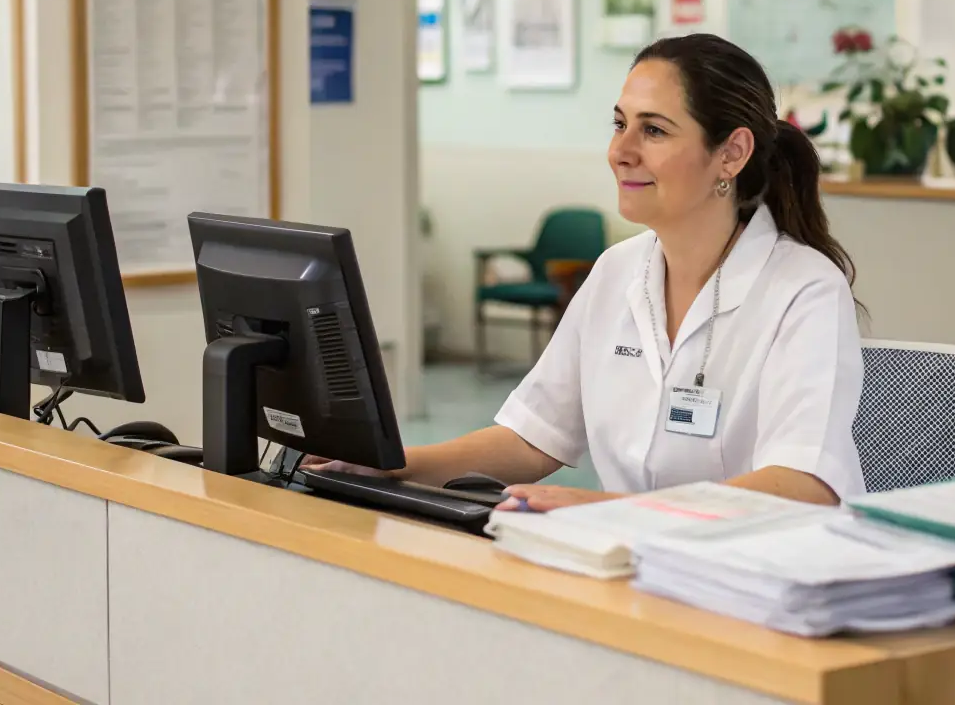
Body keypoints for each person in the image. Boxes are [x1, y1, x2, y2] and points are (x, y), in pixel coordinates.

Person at [308, 34, 866, 511]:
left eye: (654, 131)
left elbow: (802, 486)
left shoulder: (804, 289)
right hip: (632, 572)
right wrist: (393, 466)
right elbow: (533, 438)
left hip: (761, 584)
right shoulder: (616, 273)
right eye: (620, 124)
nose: (619, 151)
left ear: (731, 153)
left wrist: (609, 512)